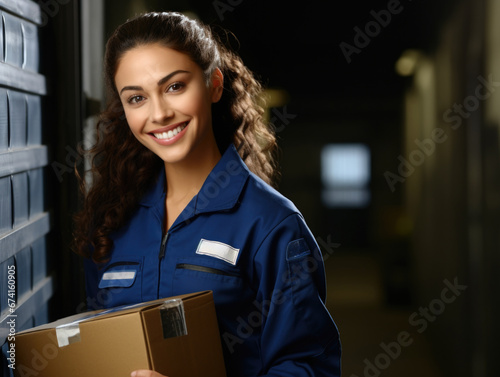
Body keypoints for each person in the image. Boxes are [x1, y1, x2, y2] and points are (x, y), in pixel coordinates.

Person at [73, 11, 341, 377]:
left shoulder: (271, 225)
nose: (160, 114)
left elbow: (308, 367)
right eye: (136, 98)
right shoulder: (111, 220)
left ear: (214, 84)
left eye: (174, 87)